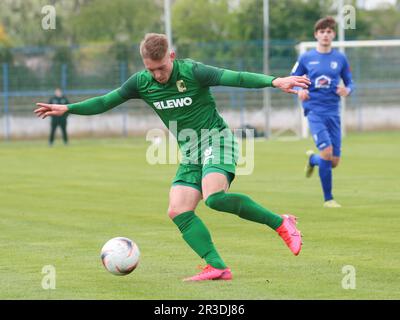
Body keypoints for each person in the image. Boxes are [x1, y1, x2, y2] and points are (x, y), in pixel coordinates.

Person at [34, 33, 310, 281]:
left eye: (161, 67)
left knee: (214, 198)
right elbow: (106, 101)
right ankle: (217, 267)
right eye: (150, 69)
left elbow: (235, 77)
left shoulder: (193, 71)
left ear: (172, 56)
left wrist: (275, 81)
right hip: (190, 150)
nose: (157, 75)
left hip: (217, 139)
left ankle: (280, 223)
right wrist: (67, 108)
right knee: (178, 210)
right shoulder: (141, 82)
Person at [291, 17, 354, 208]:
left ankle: (312, 160)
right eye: (322, 32)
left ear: (333, 34)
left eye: (329, 32)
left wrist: (347, 90)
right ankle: (328, 199)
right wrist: (299, 90)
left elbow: (350, 82)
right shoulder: (306, 58)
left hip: (333, 112)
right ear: (316, 35)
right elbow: (293, 80)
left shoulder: (340, 58)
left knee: (333, 161)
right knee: (326, 152)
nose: (326, 35)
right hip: (314, 110)